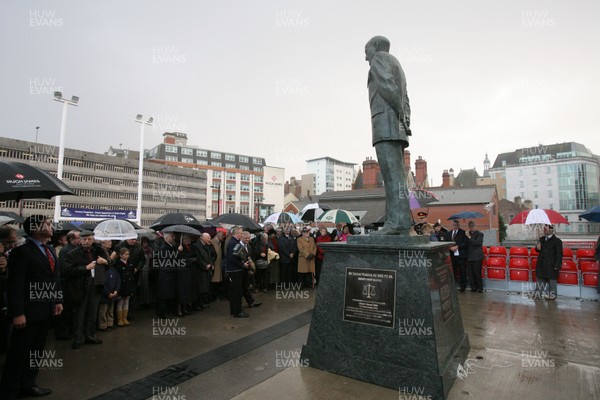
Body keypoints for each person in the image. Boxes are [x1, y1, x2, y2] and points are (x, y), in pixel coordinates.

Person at [0, 215, 62, 399]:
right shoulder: (22, 252)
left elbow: (54, 278)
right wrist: (17, 313)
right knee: (18, 352)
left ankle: (28, 384)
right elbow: (15, 285)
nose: (51, 227)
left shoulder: (49, 249)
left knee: (36, 351)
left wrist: (57, 300)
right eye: (48, 224)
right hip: (27, 312)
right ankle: (9, 390)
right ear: (35, 228)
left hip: (45, 310)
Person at [365, 36, 412, 235]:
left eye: (366, 50)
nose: (365, 57)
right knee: (396, 178)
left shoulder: (379, 59)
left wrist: (399, 114)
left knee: (392, 178)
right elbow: (406, 98)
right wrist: (405, 121)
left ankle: (396, 223)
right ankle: (398, 221)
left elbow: (388, 87)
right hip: (397, 127)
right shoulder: (397, 65)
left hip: (385, 125)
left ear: (375, 47)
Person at [64, 230, 108, 349]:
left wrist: (106, 262)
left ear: (93, 239)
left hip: (96, 285)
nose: (86, 241)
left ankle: (91, 336)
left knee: (92, 313)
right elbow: (67, 271)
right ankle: (78, 339)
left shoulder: (98, 251)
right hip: (80, 287)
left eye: (89, 239)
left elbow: (109, 264)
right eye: (84, 239)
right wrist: (85, 268)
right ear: (79, 240)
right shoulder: (73, 253)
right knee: (79, 314)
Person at [225, 227, 249, 318]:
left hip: (235, 270)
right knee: (236, 292)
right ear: (237, 233)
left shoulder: (233, 242)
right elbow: (232, 258)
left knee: (235, 291)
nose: (242, 235)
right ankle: (237, 311)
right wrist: (242, 265)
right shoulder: (233, 243)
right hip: (234, 271)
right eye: (241, 233)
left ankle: (235, 310)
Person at [534, 225, 563, 300]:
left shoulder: (557, 241)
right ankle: (538, 294)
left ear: (551, 230)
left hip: (552, 265)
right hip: (541, 265)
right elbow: (537, 250)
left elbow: (559, 254)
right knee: (540, 281)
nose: (544, 230)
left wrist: (557, 265)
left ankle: (551, 296)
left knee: (552, 283)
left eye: (546, 229)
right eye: (544, 229)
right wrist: (537, 247)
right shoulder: (541, 239)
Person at [97, 256, 120, 331]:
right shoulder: (102, 270)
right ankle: (103, 325)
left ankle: (110, 323)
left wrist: (116, 290)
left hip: (113, 293)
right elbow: (102, 283)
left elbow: (118, 280)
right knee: (103, 311)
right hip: (104, 295)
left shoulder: (114, 270)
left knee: (110, 310)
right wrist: (108, 293)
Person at [114, 248, 136, 325]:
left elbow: (132, 271)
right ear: (120, 255)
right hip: (121, 285)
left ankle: (125, 318)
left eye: (128, 254)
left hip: (129, 284)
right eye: (125, 254)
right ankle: (119, 319)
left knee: (126, 301)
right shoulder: (118, 264)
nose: (127, 256)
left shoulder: (130, 263)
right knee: (120, 302)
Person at [445, 220, 468, 292]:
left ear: (458, 225)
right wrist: (449, 248)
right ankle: (453, 285)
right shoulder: (448, 233)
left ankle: (463, 286)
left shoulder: (463, 232)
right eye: (453, 225)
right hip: (451, 256)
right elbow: (445, 243)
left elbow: (465, 243)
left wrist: (457, 246)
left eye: (455, 225)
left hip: (461, 255)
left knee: (462, 271)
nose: (454, 226)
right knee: (453, 271)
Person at [195, 233, 216, 309]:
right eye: (208, 238)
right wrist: (204, 265)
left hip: (208, 268)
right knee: (201, 287)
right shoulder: (197, 246)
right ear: (202, 238)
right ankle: (199, 304)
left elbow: (212, 255)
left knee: (205, 287)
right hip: (201, 270)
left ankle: (203, 302)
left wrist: (211, 263)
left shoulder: (208, 246)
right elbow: (198, 258)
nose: (209, 240)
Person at [465, 221, 484, 293]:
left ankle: (480, 288)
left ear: (475, 226)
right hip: (469, 256)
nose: (471, 227)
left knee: (477, 273)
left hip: (477, 257)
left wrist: (469, 237)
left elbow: (477, 243)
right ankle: (473, 287)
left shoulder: (480, 234)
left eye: (472, 226)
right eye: (470, 226)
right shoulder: (467, 234)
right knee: (470, 273)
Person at [210, 231, 225, 301]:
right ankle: (213, 296)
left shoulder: (220, 243)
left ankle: (216, 296)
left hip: (218, 264)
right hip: (214, 264)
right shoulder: (212, 242)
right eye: (222, 236)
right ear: (218, 236)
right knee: (214, 281)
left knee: (217, 281)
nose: (223, 237)